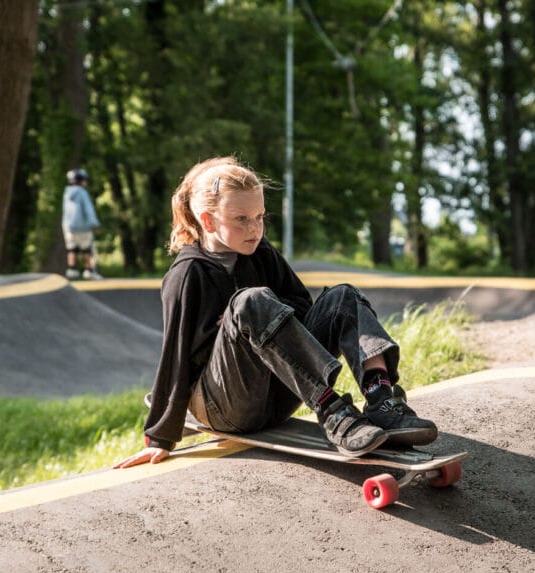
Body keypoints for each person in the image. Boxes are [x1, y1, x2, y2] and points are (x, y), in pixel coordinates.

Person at [114, 157, 437, 469]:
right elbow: (175, 355)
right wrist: (159, 438)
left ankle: (381, 399)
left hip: (282, 391)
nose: (254, 228)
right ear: (208, 220)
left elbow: (304, 318)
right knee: (250, 302)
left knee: (343, 297)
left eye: (260, 216)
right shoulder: (187, 274)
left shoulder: (261, 251)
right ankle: (334, 413)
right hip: (227, 405)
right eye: (241, 219)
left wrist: (263, 322)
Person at [62, 168, 102, 280]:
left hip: (69, 227)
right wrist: (94, 223)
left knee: (71, 249)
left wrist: (65, 227)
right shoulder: (82, 193)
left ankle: (72, 269)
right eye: (84, 180)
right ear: (80, 181)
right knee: (87, 249)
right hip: (83, 227)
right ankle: (89, 270)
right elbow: (88, 209)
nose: (86, 182)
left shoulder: (66, 193)